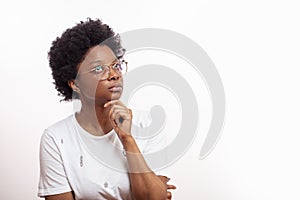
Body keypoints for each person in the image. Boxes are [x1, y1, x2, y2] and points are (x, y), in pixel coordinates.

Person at [38, 18, 176, 200]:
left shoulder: (148, 124)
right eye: (98, 69)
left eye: (116, 65)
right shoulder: (56, 139)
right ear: (75, 84)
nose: (113, 75)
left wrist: (127, 139)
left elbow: (153, 198)